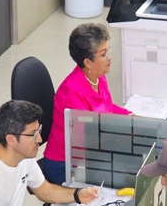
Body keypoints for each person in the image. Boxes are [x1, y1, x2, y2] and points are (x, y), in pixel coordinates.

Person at [42, 24, 131, 184]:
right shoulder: (71, 92)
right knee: (125, 179)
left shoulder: (98, 76)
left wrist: (130, 116)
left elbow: (107, 108)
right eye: (103, 54)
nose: (109, 57)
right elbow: (87, 138)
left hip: (92, 154)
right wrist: (124, 131)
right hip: (67, 164)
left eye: (108, 51)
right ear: (88, 62)